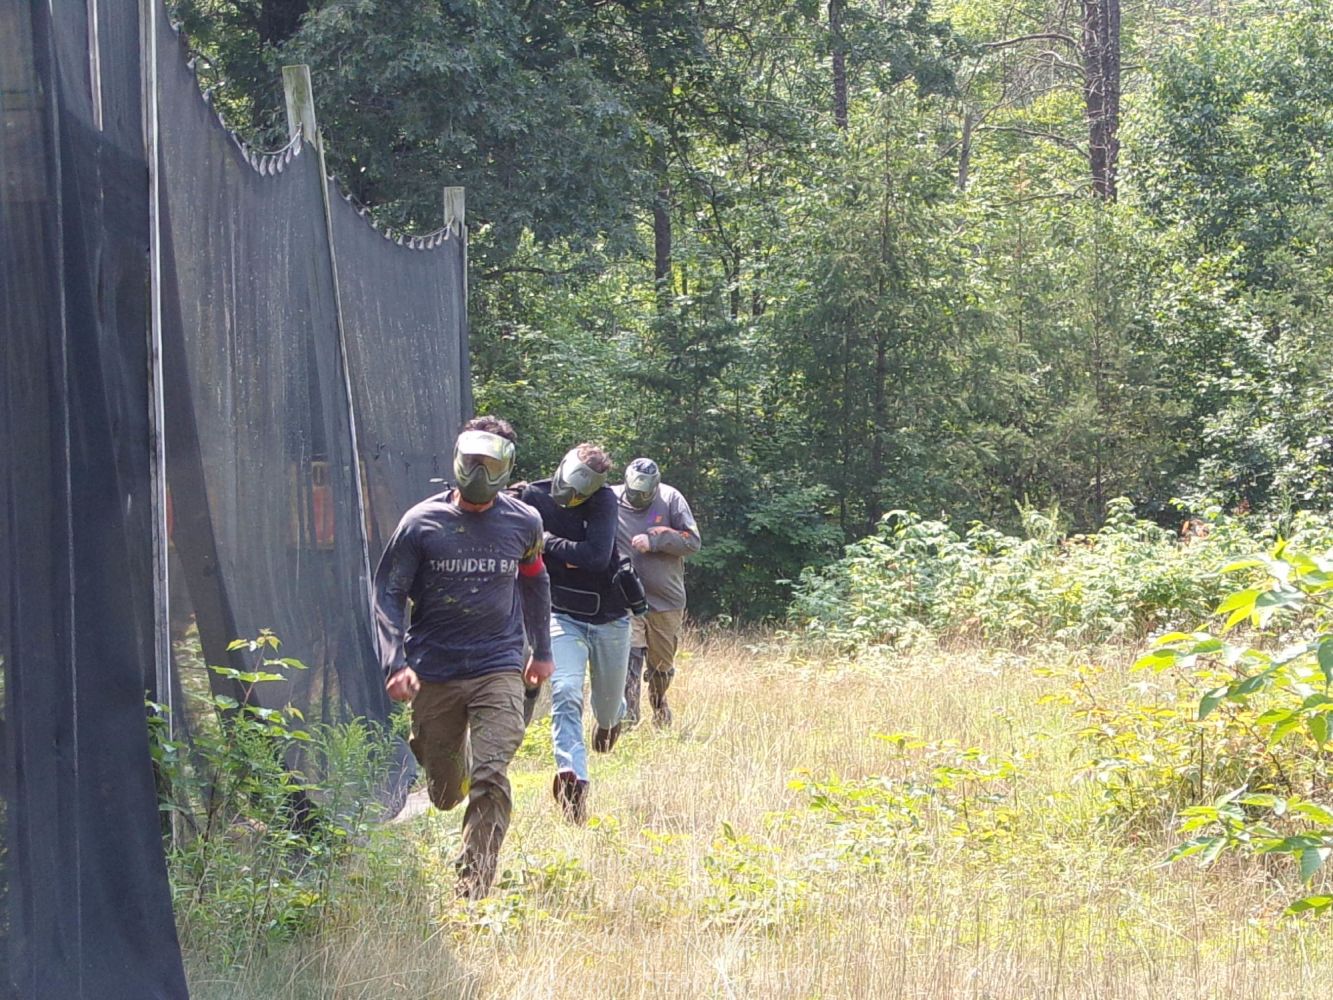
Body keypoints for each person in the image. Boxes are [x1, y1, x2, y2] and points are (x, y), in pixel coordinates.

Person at [372, 415, 554, 899]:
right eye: (472, 461)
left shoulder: (523, 522)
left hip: (499, 665)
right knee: (445, 793)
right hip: (435, 670)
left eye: (489, 464)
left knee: (492, 776)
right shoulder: (420, 523)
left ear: (506, 466)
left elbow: (535, 580)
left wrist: (542, 651)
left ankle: (474, 888)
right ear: (457, 459)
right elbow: (388, 593)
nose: (479, 472)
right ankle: (452, 764)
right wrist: (395, 662)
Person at [520, 443, 631, 824]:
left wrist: (546, 541)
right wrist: (569, 551)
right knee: (565, 690)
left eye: (578, 495)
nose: (570, 499)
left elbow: (596, 557)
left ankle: (612, 719)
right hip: (562, 613)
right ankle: (573, 781)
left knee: (607, 707)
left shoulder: (604, 500)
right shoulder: (533, 496)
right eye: (567, 490)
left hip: (609, 617)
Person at [614, 458, 701, 727]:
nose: (639, 497)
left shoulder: (671, 498)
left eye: (645, 493)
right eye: (634, 491)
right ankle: (629, 720)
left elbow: (692, 541)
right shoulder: (611, 499)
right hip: (626, 599)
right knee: (629, 658)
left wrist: (656, 540)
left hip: (665, 601)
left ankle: (659, 704)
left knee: (661, 667)